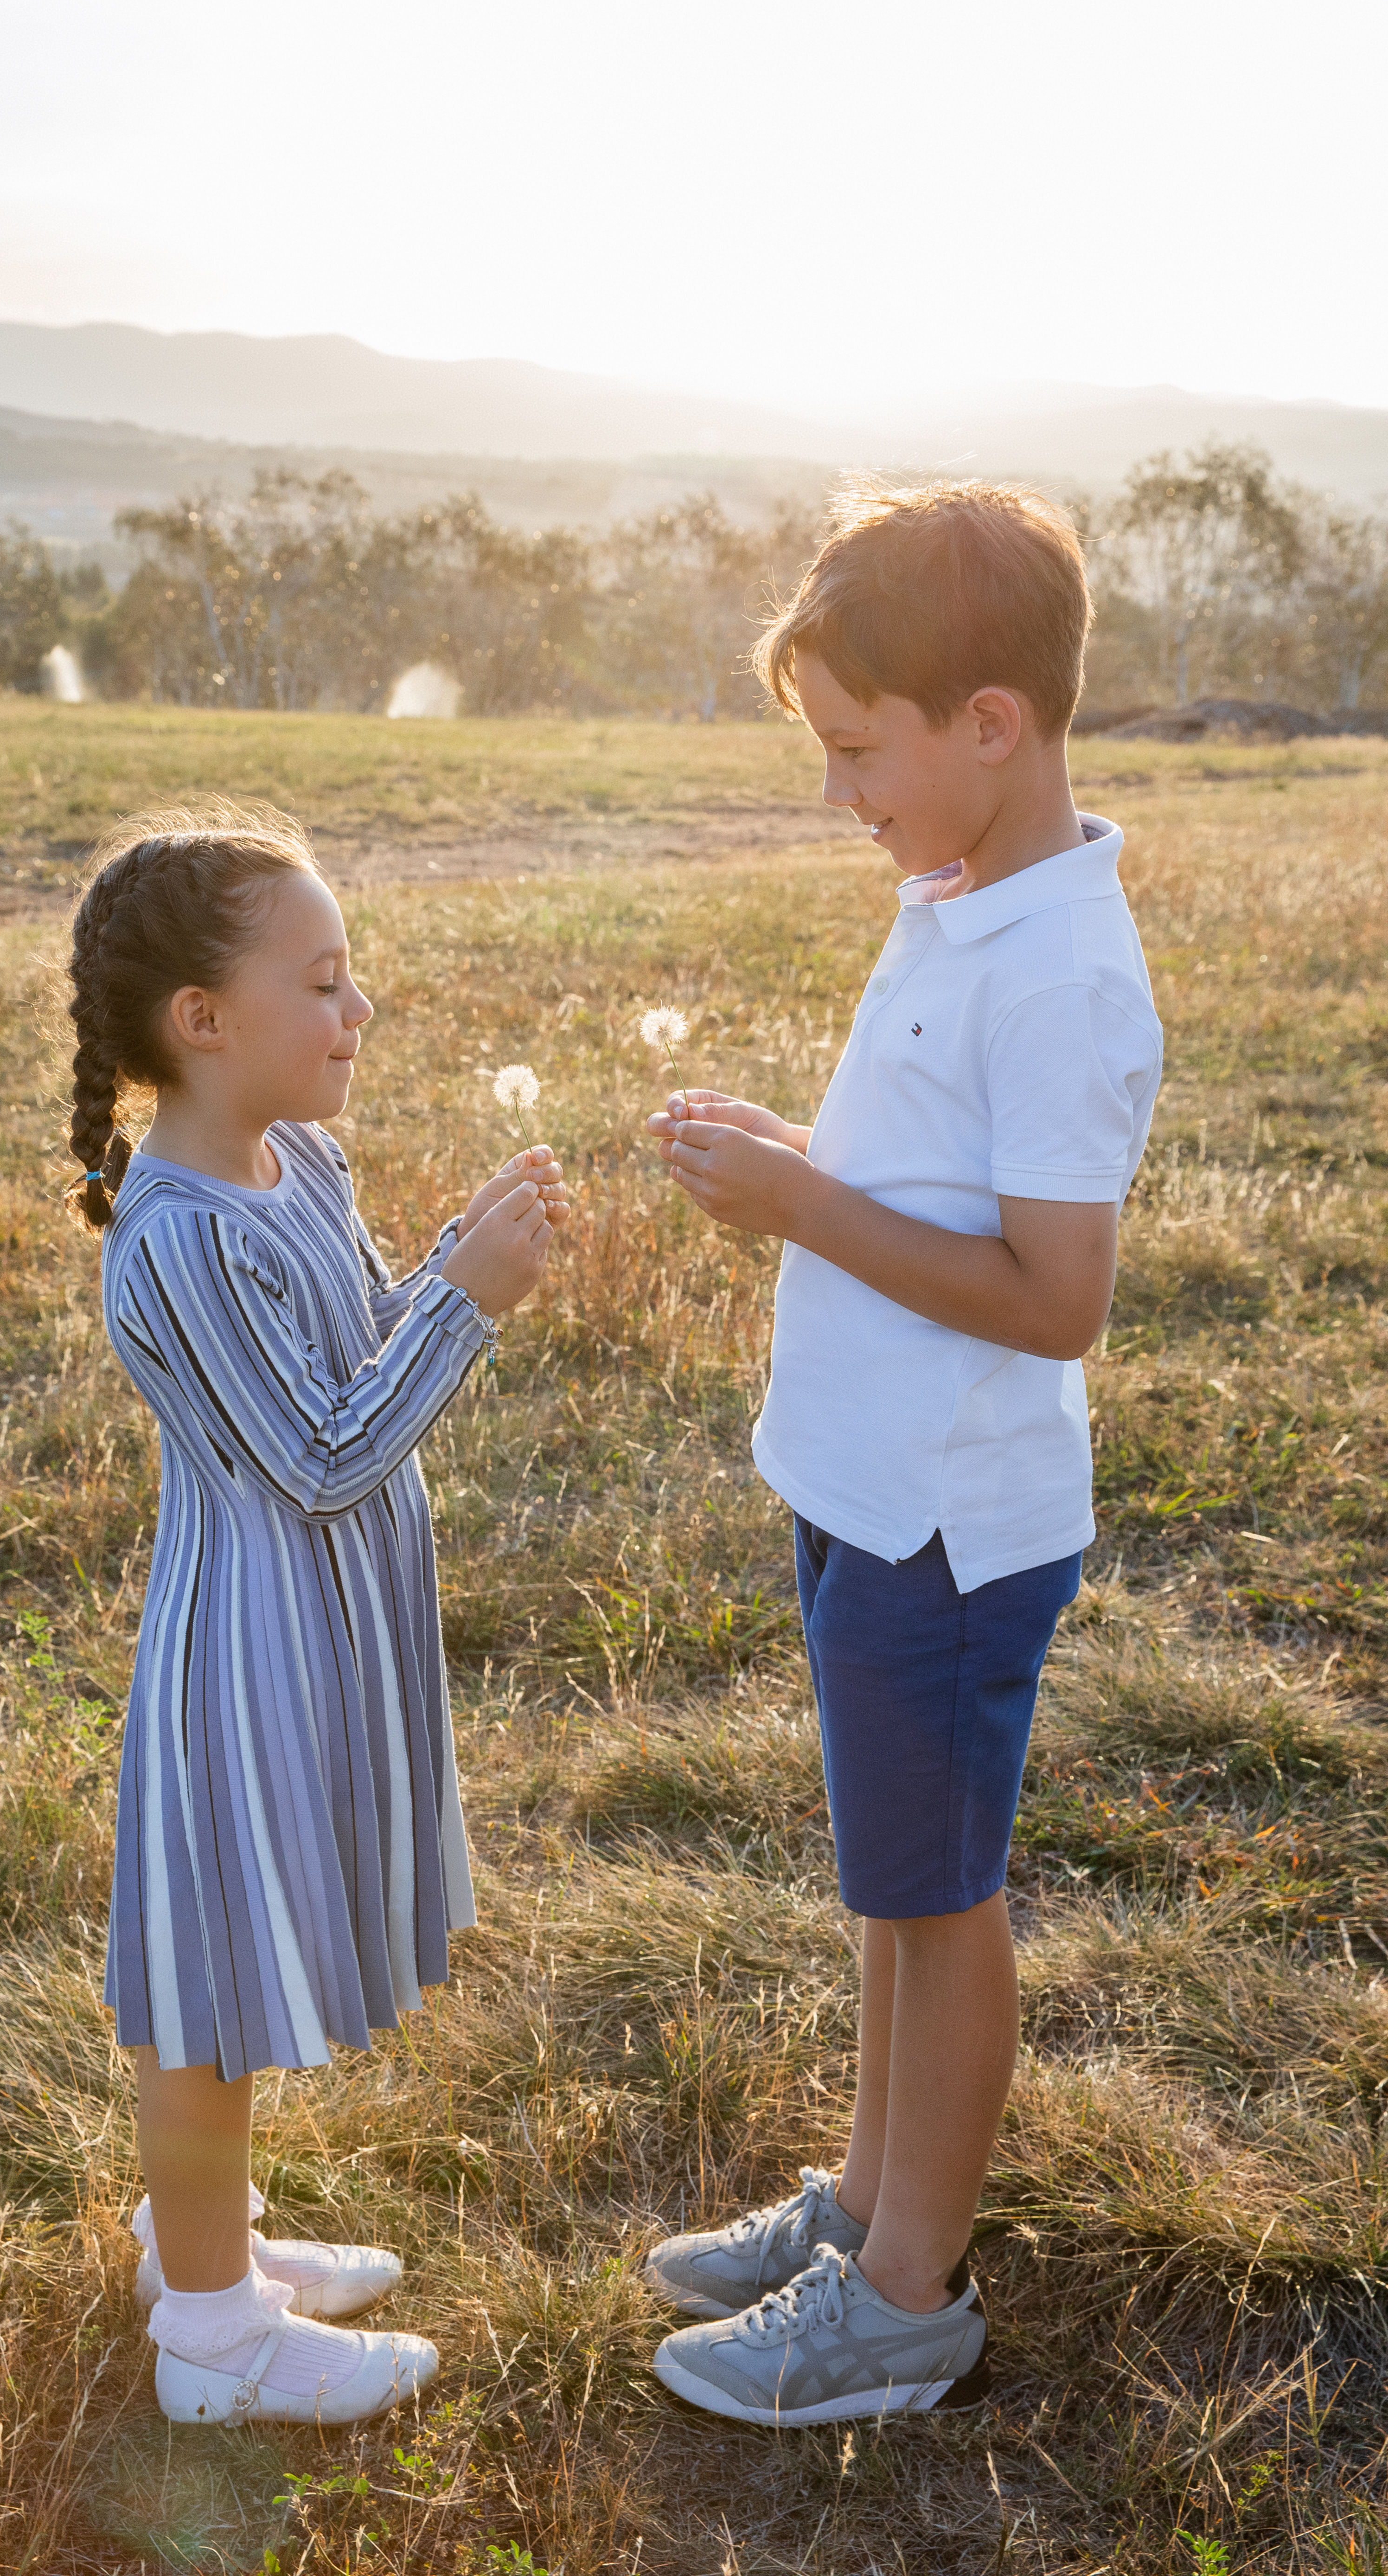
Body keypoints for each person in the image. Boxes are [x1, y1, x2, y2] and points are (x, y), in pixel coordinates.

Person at [642, 482, 1163, 2427]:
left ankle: (911, 2298)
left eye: (861, 753)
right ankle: (866, 2204)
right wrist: (800, 1153)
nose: (845, 793)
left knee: (944, 1906)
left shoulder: (1065, 973)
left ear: (990, 727)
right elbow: (936, 1188)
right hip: (865, 1487)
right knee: (894, 1884)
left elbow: (1052, 1293)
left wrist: (794, 1203)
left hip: (955, 1521)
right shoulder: (960, 899)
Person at [65, 806, 569, 2427]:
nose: (361, 1014)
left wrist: (434, 1265)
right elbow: (332, 1453)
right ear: (202, 1026)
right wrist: (469, 1292)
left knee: (251, 1958)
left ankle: (212, 2245)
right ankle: (210, 2330)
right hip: (248, 1661)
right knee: (212, 1989)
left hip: (330, 1638)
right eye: (327, 983)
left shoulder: (305, 1162)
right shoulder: (179, 1242)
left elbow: (353, 1367)